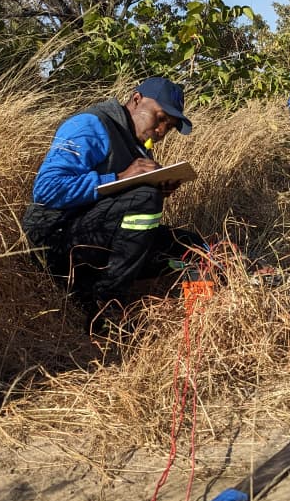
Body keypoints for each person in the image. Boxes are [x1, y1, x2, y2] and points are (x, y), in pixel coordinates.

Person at [21, 77, 203, 324]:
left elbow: (122, 206)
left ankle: (203, 313)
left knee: (191, 245)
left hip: (95, 232)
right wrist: (120, 177)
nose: (160, 132)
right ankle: (106, 305)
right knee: (145, 199)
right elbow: (47, 190)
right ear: (136, 100)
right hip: (55, 237)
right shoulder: (91, 125)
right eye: (159, 118)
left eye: (168, 127)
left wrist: (157, 190)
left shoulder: (137, 143)